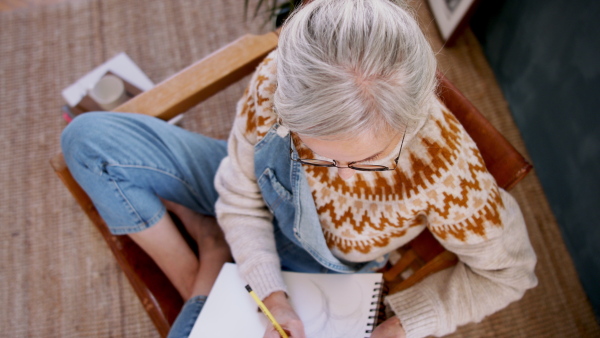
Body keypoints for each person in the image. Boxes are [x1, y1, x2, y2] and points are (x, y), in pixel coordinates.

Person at [60, 0, 538, 337]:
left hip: (319, 263)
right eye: (319, 154)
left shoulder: (446, 171)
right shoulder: (278, 81)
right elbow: (242, 192)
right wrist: (268, 294)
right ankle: (202, 274)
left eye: (371, 161)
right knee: (86, 140)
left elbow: (509, 275)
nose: (343, 179)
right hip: (256, 195)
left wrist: (401, 327)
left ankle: (211, 268)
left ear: (411, 124)